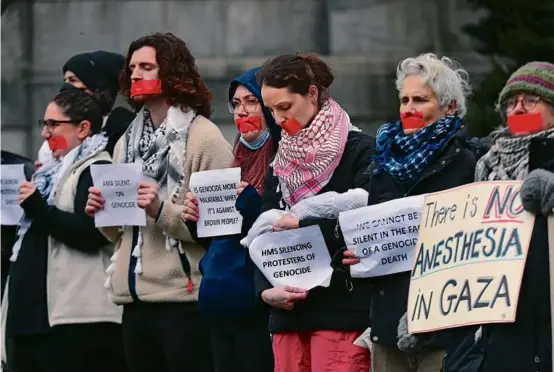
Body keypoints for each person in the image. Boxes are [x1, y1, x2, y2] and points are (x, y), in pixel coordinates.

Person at [85, 32, 233, 372]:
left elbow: (219, 228)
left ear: (171, 73)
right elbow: (121, 235)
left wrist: (160, 209)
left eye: (147, 67)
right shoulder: (127, 139)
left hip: (185, 301)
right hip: (134, 300)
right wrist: (102, 212)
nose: (135, 74)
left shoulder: (204, 137)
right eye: (132, 67)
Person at [342, 53, 478, 372]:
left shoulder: (467, 163)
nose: (409, 108)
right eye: (404, 99)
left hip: (443, 330)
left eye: (420, 99)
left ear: (450, 107)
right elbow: (371, 239)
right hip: (388, 328)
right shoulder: (384, 162)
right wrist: (356, 257)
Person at [251, 53, 373, 372]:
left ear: (312, 94)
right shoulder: (281, 161)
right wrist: (265, 290)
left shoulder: (359, 149)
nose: (278, 119)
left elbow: (370, 220)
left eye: (285, 107)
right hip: (288, 316)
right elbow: (263, 232)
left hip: (340, 312)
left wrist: (303, 221)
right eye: (271, 109)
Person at [2, 89, 126, 372]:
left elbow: (92, 235)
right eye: (44, 124)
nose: (46, 133)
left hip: (74, 323)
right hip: (32, 322)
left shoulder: (99, 167)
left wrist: (38, 207)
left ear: (83, 128)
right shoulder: (48, 174)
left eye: (54, 124)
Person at [444, 61, 554, 372]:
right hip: (494, 336)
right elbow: (462, 251)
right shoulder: (485, 165)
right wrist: (424, 316)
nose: (518, 109)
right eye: (511, 102)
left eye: (531, 100)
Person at [182, 66, 279, 372]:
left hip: (256, 309)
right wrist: (195, 220)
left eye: (251, 101)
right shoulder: (234, 161)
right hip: (220, 306)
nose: (242, 111)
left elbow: (282, 228)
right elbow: (221, 239)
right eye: (236, 104)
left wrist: (251, 204)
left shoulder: (283, 160)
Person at [37, 50, 136, 163]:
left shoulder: (121, 131)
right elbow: (54, 156)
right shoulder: (52, 143)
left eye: (73, 80)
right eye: (65, 80)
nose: (67, 87)